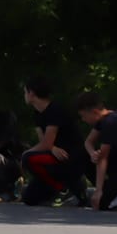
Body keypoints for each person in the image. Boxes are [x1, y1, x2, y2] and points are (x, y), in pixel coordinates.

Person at [18, 76, 89, 206]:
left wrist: (26, 154)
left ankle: (64, 189)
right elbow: (44, 142)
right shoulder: (37, 113)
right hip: (54, 154)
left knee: (28, 158)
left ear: (31, 93)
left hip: (69, 156)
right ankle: (57, 187)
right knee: (29, 198)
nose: (24, 95)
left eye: (25, 92)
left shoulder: (55, 110)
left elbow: (45, 144)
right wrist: (51, 148)